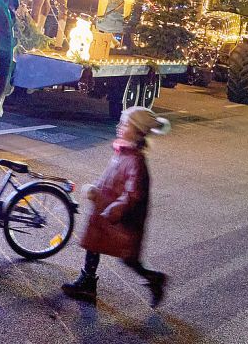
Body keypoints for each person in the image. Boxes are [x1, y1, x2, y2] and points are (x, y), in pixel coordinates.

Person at [62, 106, 169, 307]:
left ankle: (154, 278)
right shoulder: (122, 152)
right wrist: (96, 189)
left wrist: (116, 208)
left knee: (128, 257)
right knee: (94, 245)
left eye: (125, 124)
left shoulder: (136, 161)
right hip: (105, 211)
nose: (119, 127)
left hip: (122, 219)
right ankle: (87, 282)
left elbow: (134, 194)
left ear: (138, 132)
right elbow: (109, 178)